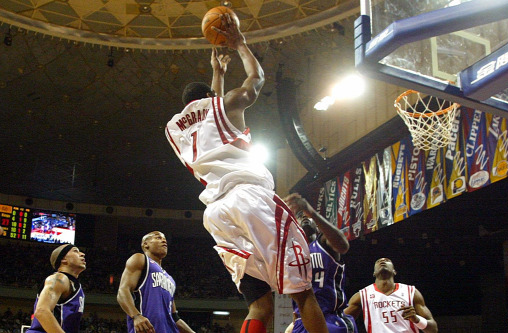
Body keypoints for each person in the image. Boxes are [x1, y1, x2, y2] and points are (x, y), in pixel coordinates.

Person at [165, 13, 327, 333]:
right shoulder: (227, 104)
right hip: (250, 198)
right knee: (302, 292)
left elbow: (210, 111)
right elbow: (257, 79)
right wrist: (240, 45)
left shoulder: (175, 130)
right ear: (212, 99)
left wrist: (217, 74)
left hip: (216, 214)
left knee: (260, 304)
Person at [284, 193, 357, 333]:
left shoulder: (323, 242)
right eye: (299, 215)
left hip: (331, 319)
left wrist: (312, 213)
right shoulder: (291, 253)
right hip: (302, 320)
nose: (304, 217)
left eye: (306, 216)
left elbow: (343, 246)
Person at [116, 231, 195, 333]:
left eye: (165, 239)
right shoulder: (140, 259)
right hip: (147, 329)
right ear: (146, 244)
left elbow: (175, 317)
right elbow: (123, 291)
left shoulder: (170, 279)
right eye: (158, 238)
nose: (164, 241)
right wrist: (136, 316)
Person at [344, 258, 437, 333]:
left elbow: (433, 329)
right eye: (378, 261)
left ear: (394, 271)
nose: (382, 261)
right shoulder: (362, 295)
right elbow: (341, 322)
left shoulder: (411, 292)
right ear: (374, 273)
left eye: (387, 260)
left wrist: (417, 319)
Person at [26, 244, 86, 333]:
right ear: (64, 259)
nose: (82, 254)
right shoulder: (58, 279)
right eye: (75, 251)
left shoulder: (75, 285)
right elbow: (42, 311)